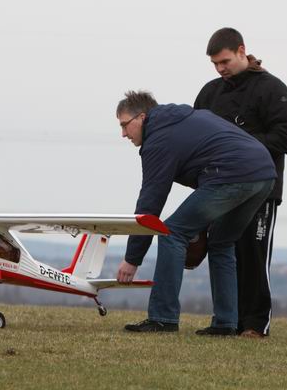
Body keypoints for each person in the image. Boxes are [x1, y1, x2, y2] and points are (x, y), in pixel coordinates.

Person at [114, 90, 276, 335]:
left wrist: (132, 259)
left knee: (171, 233)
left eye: (125, 125)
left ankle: (163, 318)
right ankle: (225, 324)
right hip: (264, 174)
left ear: (142, 117)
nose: (123, 134)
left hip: (232, 174)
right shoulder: (182, 120)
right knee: (222, 242)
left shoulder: (158, 139)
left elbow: (150, 203)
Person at [194, 27, 287, 338]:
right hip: (218, 189)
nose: (220, 69)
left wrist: (241, 148)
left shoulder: (272, 89)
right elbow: (195, 135)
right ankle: (227, 320)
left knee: (253, 254)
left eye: (225, 61)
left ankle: (255, 324)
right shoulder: (210, 93)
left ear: (242, 51)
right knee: (222, 252)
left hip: (261, 190)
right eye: (215, 64)